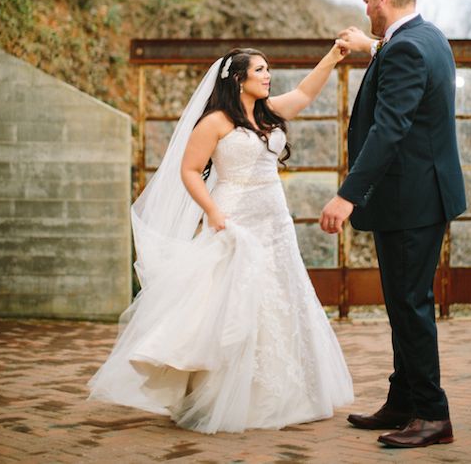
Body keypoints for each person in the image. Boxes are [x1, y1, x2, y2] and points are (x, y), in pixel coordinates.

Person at [88, 46, 353, 434]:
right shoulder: (215, 121)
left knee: (282, 295)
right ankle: (221, 396)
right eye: (260, 70)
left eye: (268, 69)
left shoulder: (268, 113)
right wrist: (212, 211)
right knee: (232, 300)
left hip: (275, 221)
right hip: (235, 218)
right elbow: (191, 169)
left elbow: (304, 94)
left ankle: (289, 393)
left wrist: (333, 57)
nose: (267, 76)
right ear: (238, 78)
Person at [320, 0, 466, 450]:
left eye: (366, 1)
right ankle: (402, 400)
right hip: (425, 194)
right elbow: (401, 56)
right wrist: (371, 46)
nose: (364, 9)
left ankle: (431, 414)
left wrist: (347, 194)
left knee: (409, 305)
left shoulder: (405, 47)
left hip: (410, 200)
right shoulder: (429, 37)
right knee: (406, 302)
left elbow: (389, 128)